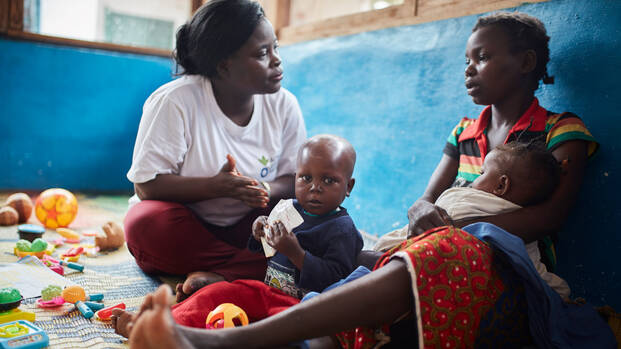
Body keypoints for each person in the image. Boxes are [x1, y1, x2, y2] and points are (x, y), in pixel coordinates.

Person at [115, 11, 615, 349]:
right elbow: (425, 201)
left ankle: (230, 341)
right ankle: (302, 315)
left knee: (399, 251)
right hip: (440, 248)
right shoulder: (465, 130)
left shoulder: (561, 132)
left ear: (526, 63)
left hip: (498, 263)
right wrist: (421, 215)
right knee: (361, 253)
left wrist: (451, 231)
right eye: (466, 58)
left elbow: (551, 217)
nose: (468, 69)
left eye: (481, 58)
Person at [123, 0, 306, 302]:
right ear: (224, 65)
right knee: (145, 224)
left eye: (275, 48)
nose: (277, 61)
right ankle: (256, 270)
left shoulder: (284, 105)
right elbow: (145, 184)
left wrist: (263, 187)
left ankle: (219, 275)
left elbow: (294, 179)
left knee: (312, 217)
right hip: (186, 228)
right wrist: (216, 187)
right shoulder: (176, 101)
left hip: (250, 228)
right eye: (262, 53)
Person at [163, 134, 363, 329]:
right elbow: (268, 254)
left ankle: (186, 329)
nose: (315, 188)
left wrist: (297, 255)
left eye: (328, 181)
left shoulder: (342, 229)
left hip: (301, 310)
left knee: (263, 330)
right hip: (268, 292)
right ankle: (167, 322)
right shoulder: (289, 208)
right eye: (306, 178)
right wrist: (261, 234)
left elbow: (338, 283)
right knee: (219, 292)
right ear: (296, 178)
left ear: (348, 186)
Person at [374, 141, 572, 298]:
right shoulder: (523, 233)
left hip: (420, 262)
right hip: (475, 282)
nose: (473, 182)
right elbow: (536, 273)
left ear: (501, 186)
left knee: (367, 260)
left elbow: (439, 228)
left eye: (482, 173)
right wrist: (560, 291)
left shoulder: (465, 200)